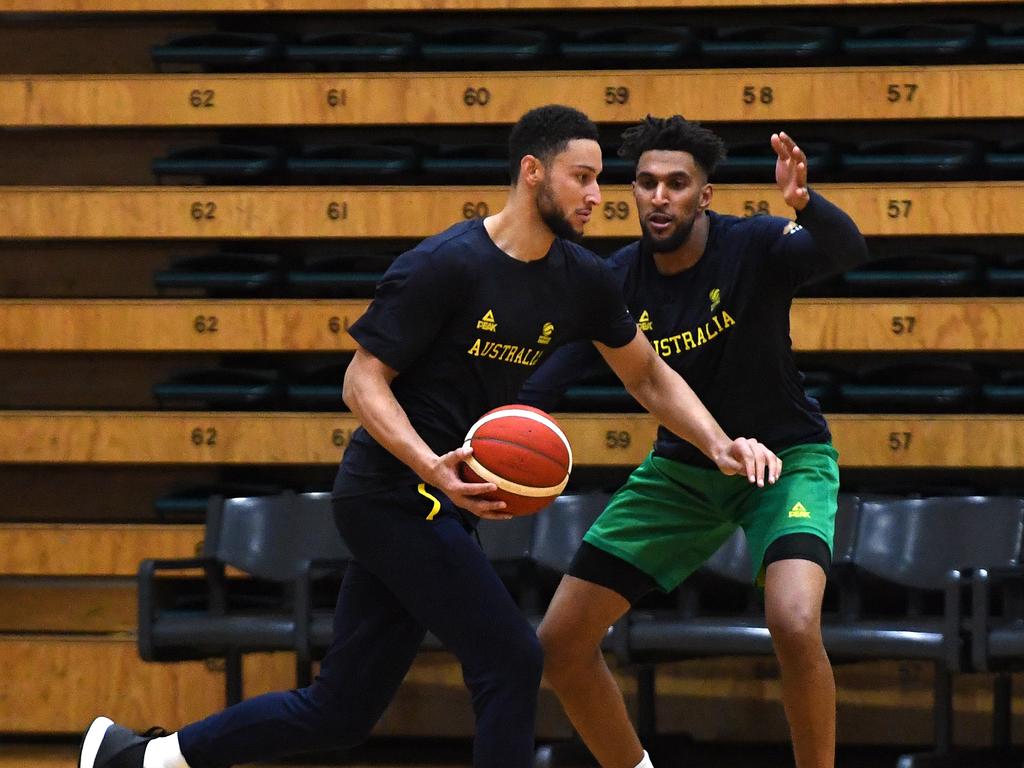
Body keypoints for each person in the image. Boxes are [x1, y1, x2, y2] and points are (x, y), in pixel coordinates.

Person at [77, 105, 779, 768]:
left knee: (341, 709)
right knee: (511, 657)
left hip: (442, 499)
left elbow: (649, 378)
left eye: (600, 179)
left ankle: (143, 757)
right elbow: (361, 383)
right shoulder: (445, 263)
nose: (600, 194)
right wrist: (429, 466)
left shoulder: (583, 280)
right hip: (387, 493)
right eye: (584, 177)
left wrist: (719, 443)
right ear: (533, 172)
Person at [522, 115, 869, 768]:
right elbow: (549, 379)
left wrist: (806, 204)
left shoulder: (755, 245)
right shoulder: (616, 280)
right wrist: (488, 431)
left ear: (703, 195)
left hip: (786, 461)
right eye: (647, 183)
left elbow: (846, 251)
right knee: (560, 644)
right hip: (683, 470)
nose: (659, 197)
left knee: (794, 623)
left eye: (677, 184)